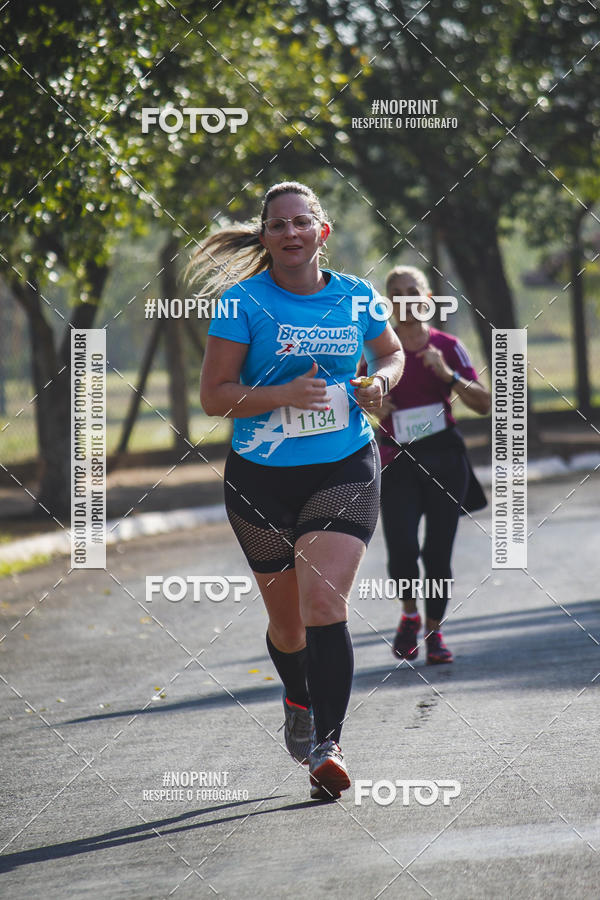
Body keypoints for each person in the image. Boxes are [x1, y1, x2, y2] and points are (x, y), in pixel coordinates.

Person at [194, 182, 404, 800]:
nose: (290, 233)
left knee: (323, 606)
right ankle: (296, 697)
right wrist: (281, 395)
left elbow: (389, 356)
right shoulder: (241, 304)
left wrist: (379, 385)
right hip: (261, 477)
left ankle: (328, 746)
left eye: (300, 222)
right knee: (288, 629)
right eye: (277, 225)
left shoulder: (357, 297)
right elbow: (214, 396)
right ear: (265, 238)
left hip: (343, 462)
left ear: (322, 232)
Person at [374, 265, 490, 665]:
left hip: (444, 458)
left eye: (412, 291)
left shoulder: (447, 345)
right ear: (388, 303)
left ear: (426, 299)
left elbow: (484, 402)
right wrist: (372, 408)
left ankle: (435, 632)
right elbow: (351, 400)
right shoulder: (374, 351)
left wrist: (449, 374)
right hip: (397, 459)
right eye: (397, 293)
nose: (405, 299)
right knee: (403, 549)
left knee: (437, 554)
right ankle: (409, 615)